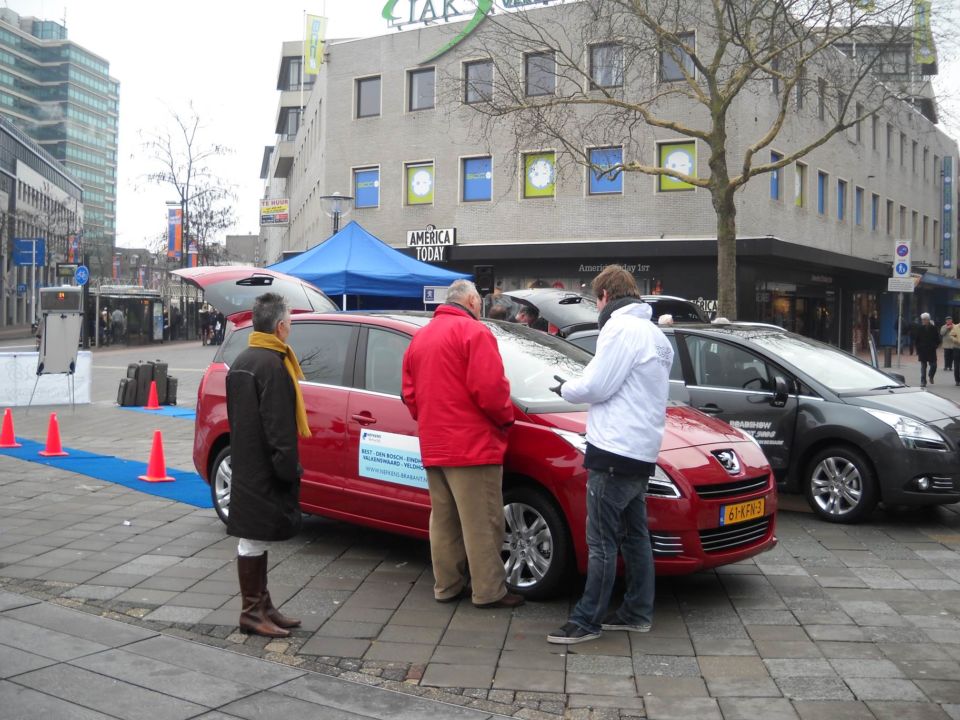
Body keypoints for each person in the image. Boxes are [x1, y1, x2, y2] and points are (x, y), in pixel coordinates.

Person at [546, 264, 673, 645]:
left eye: (595, 299)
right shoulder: (655, 335)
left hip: (614, 449)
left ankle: (587, 620)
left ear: (604, 296)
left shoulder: (619, 329)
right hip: (642, 449)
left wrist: (567, 388)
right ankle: (636, 611)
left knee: (601, 541)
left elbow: (598, 385)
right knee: (635, 536)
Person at [401, 279, 523, 609]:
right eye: (479, 305)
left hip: (435, 444)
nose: (480, 310)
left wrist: (429, 420)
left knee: (443, 521)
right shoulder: (474, 333)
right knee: (483, 522)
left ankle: (447, 586)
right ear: (471, 300)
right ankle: (488, 591)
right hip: (473, 445)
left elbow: (409, 394)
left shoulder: (421, 336)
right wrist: (505, 420)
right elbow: (491, 390)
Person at [225, 292, 311, 637]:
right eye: (289, 320)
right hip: (264, 468)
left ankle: (262, 605)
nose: (290, 326)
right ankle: (251, 611)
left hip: (247, 464)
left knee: (253, 538)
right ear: (280, 327)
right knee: (252, 540)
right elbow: (279, 426)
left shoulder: (244, 359)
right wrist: (289, 469)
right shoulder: (273, 365)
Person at [915, 312, 940, 388]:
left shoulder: (934, 328)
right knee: (923, 367)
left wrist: (935, 346)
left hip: (931, 350)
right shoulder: (920, 328)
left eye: (924, 319)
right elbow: (917, 340)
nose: (923, 321)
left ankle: (931, 375)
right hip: (922, 350)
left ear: (928, 320)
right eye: (922, 320)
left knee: (934, 365)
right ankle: (923, 381)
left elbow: (938, 339)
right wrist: (918, 349)